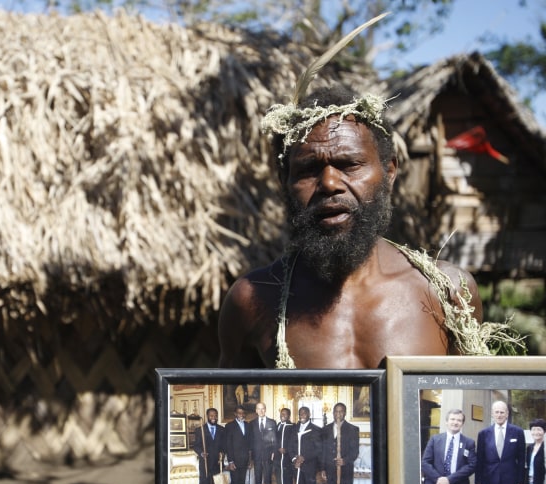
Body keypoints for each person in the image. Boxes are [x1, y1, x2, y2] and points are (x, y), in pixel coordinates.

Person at [217, 84, 520, 370]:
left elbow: (472, 406)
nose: (330, 184)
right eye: (308, 170)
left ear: (389, 171)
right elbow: (232, 410)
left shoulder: (448, 292)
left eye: (349, 164)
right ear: (285, 183)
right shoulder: (253, 301)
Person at [421, 408, 477, 484]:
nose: (455, 422)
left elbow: (472, 465)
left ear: (462, 423)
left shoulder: (469, 443)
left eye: (459, 420)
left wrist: (449, 480)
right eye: (452, 419)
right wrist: (439, 480)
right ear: (447, 421)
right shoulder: (434, 439)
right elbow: (425, 463)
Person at [475, 401, 526, 484]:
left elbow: (521, 460)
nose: (499, 415)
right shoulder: (483, 434)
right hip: (489, 482)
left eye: (502, 412)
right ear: (492, 414)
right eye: (496, 412)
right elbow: (479, 460)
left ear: (507, 414)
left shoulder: (518, 432)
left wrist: (520, 483)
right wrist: (478, 482)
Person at [321, 402, 360, 484]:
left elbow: (355, 451)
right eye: (336, 411)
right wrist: (323, 468)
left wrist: (345, 460)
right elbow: (323, 450)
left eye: (341, 411)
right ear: (333, 413)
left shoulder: (353, 429)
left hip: (346, 468)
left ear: (345, 413)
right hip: (330, 468)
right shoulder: (325, 429)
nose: (338, 414)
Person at [193, 407, 226, 484]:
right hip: (205, 462)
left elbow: (224, 445)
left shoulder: (221, 429)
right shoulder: (200, 430)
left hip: (217, 462)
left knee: (217, 483)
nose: (214, 418)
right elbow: (196, 446)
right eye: (211, 415)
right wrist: (201, 453)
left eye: (216, 416)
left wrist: (222, 453)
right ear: (207, 416)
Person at [292, 406, 322, 484]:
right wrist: (294, 458)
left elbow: (318, 449)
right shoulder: (294, 428)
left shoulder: (316, 429)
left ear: (309, 415)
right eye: (300, 413)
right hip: (297, 465)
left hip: (309, 466)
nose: (302, 415)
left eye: (304, 413)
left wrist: (304, 457)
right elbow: (290, 445)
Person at [251, 402, 277, 484]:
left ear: (265, 410)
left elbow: (275, 439)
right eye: (259, 409)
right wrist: (251, 456)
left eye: (263, 409)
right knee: (257, 476)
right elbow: (251, 440)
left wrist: (274, 453)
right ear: (256, 410)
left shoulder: (272, 422)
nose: (261, 411)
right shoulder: (252, 423)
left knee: (268, 476)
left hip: (268, 455)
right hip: (257, 455)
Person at [225, 405, 252, 484]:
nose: (241, 414)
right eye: (239, 412)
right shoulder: (229, 426)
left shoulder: (248, 425)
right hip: (234, 459)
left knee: (242, 480)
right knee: (235, 481)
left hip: (244, 459)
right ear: (235, 414)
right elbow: (228, 445)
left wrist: (249, 460)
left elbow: (249, 444)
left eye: (243, 413)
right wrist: (230, 461)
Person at [274, 408, 296, 484]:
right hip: (278, 458)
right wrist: (278, 448)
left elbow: (294, 441)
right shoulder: (278, 425)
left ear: (289, 415)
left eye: (285, 414)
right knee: (279, 480)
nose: (283, 415)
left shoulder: (293, 427)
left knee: (287, 480)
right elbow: (275, 439)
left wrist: (286, 449)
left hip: (287, 458)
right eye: (281, 413)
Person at [523, 419, 546, 484]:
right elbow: (527, 468)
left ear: (544, 431)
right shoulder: (530, 448)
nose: (536, 432)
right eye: (533, 429)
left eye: (539, 429)